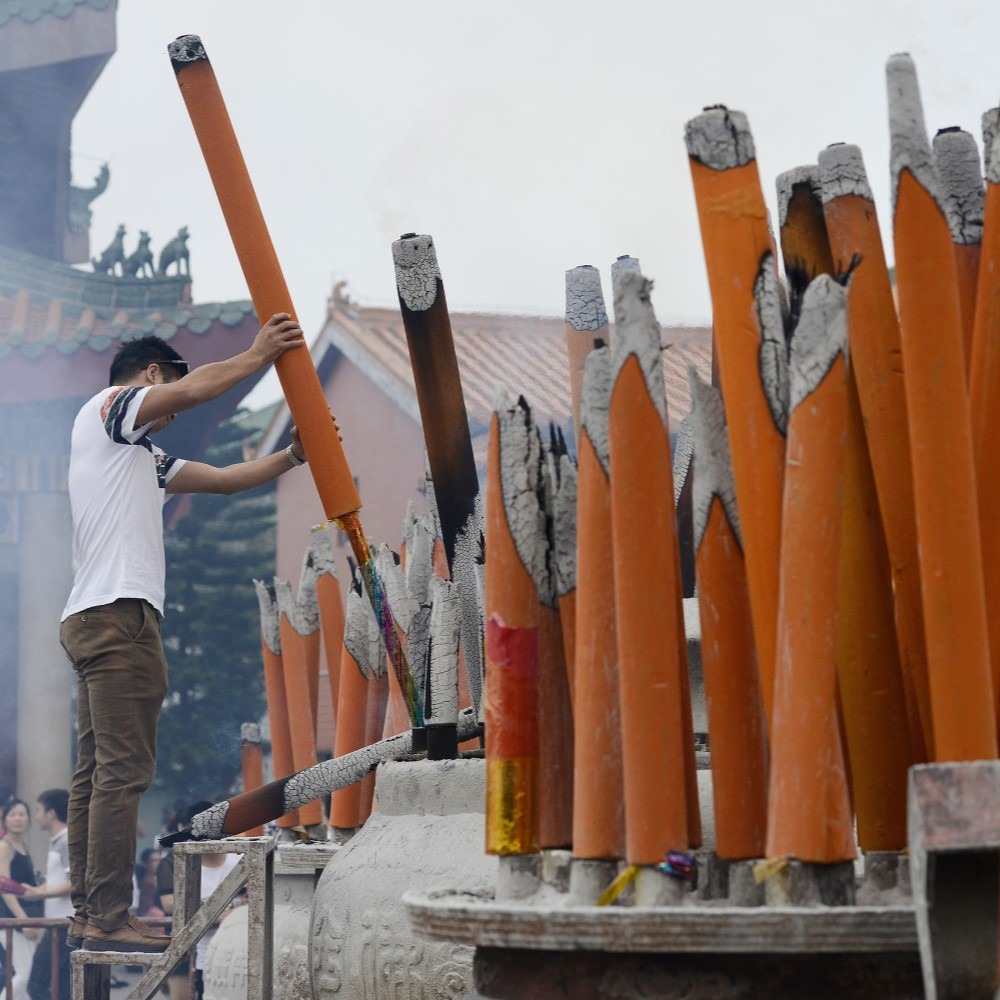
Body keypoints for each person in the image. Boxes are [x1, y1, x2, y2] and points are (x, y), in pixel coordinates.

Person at [59, 314, 308, 953]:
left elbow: (223, 481)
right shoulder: (114, 407)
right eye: (168, 386)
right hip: (119, 617)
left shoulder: (137, 454)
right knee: (123, 770)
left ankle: (93, 909)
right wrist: (258, 354)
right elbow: (194, 392)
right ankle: (109, 911)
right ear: (151, 377)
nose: (170, 408)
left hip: (94, 615)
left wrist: (291, 457)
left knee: (97, 773)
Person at [24, 790, 71, 1000]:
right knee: (62, 987)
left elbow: (76, 883)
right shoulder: (57, 840)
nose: (36, 816)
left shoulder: (66, 840)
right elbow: (57, 881)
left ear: (51, 813)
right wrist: (35, 890)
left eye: (38, 810)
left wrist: (39, 896)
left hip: (65, 923)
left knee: (37, 984)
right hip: (60, 923)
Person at [0, 800, 41, 1000]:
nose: (18, 819)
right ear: (4, 819)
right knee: (24, 975)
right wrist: (23, 920)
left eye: (22, 814)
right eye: (13, 814)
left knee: (28, 974)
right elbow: (5, 889)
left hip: (23, 917)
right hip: (11, 918)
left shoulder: (21, 845)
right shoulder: (4, 846)